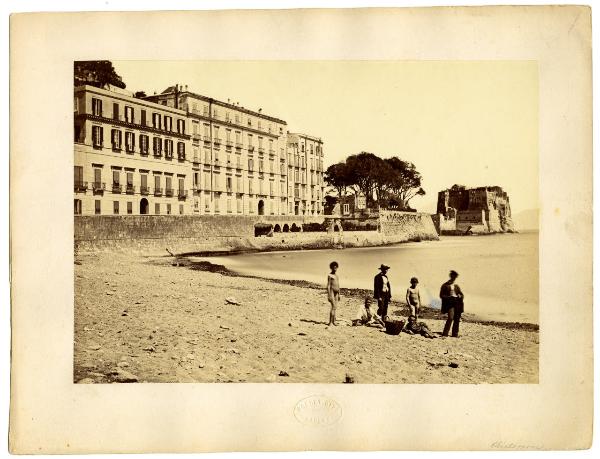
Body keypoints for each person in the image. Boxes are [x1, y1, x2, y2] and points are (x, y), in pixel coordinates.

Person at [439, 270, 464, 337]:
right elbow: (441, 295)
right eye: (453, 277)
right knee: (450, 317)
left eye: (455, 277)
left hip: (457, 303)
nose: (454, 278)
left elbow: (461, 294)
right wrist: (449, 297)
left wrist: (460, 296)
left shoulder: (456, 286)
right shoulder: (445, 285)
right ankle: (445, 333)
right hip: (450, 304)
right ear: (450, 276)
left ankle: (455, 334)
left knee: (457, 319)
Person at [326, 261, 340, 326]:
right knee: (333, 306)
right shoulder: (329, 275)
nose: (335, 269)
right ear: (331, 268)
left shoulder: (337, 275)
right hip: (332, 291)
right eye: (334, 268)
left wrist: (339, 294)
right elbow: (328, 285)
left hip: (337, 292)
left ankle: (334, 321)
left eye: (336, 268)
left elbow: (338, 284)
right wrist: (329, 295)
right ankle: (330, 322)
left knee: (335, 307)